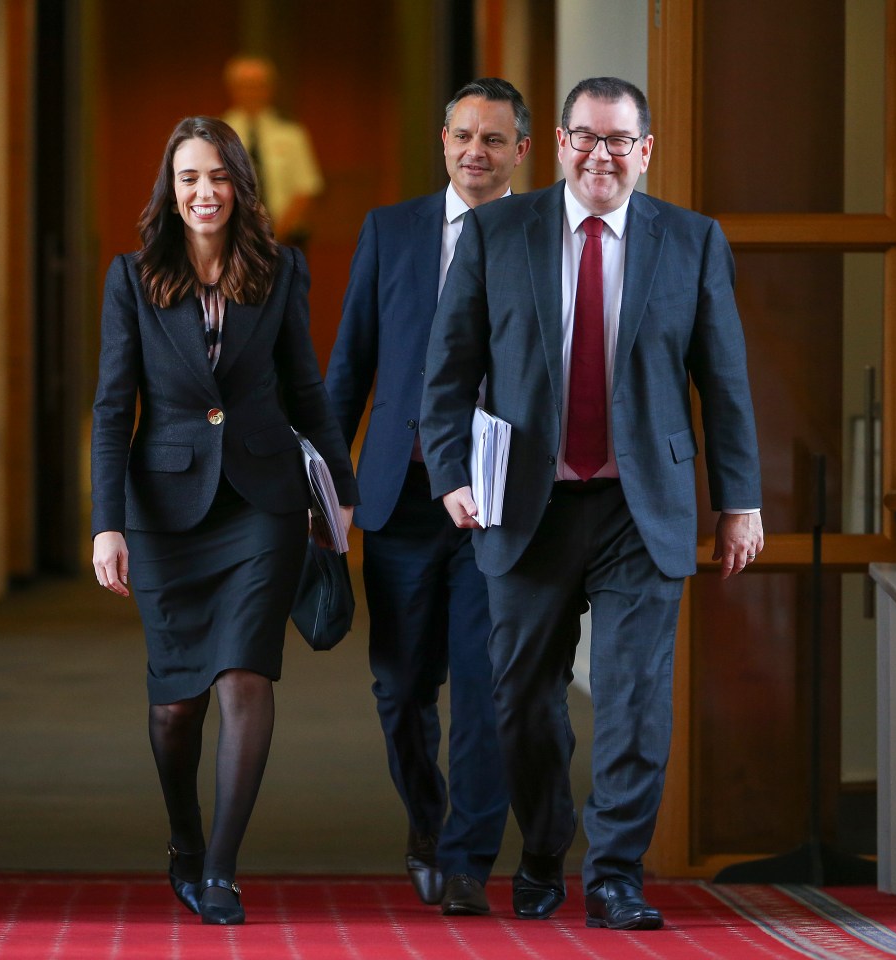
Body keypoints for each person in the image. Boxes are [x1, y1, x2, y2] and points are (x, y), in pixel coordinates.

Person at [420, 77, 764, 930]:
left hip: (640, 506)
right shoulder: (500, 232)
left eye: (618, 140)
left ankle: (616, 874)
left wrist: (741, 500)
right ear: (561, 144)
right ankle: (543, 845)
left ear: (645, 150)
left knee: (634, 696)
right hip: (525, 502)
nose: (599, 155)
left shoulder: (690, 241)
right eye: (584, 137)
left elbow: (723, 383)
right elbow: (449, 366)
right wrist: (450, 471)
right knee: (521, 698)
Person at [91, 116, 356, 926]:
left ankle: (220, 869)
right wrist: (108, 523)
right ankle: (183, 836)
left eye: (217, 177)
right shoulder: (132, 279)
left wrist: (338, 490)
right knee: (177, 707)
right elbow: (111, 408)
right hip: (166, 512)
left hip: (261, 503)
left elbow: (306, 389)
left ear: (240, 185)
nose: (203, 193)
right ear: (170, 193)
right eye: (187, 179)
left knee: (246, 673)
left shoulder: (279, 272)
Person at [325, 78, 570, 920]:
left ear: (522, 152)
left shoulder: (545, 237)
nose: (477, 151)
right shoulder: (391, 232)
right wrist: (335, 486)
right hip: (400, 496)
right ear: (442, 141)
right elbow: (350, 365)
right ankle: (428, 824)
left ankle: (467, 859)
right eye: (464, 135)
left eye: (495, 139)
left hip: (499, 500)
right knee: (399, 688)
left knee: (483, 681)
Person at [222, 55, 324, 247]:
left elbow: (306, 188)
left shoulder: (291, 133)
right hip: (233, 240)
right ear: (232, 89)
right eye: (244, 85)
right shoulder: (217, 133)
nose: (251, 93)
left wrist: (274, 234)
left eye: (258, 86)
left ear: (270, 89)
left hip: (287, 239)